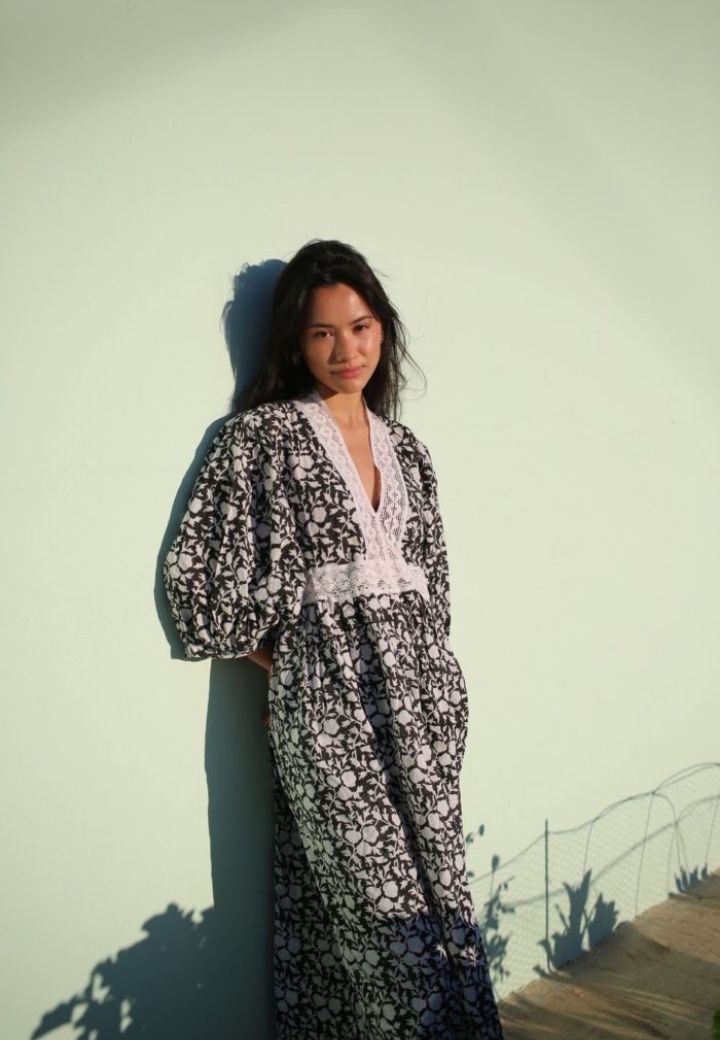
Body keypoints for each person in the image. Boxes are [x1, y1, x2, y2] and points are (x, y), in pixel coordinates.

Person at [163, 239, 505, 1039]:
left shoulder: (409, 451)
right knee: (388, 931)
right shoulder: (261, 439)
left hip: (425, 720)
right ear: (295, 342)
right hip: (329, 722)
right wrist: (290, 668)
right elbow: (195, 585)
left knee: (431, 915)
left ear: (383, 328)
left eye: (360, 326)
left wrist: (439, 693)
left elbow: (433, 592)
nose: (346, 349)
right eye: (322, 333)